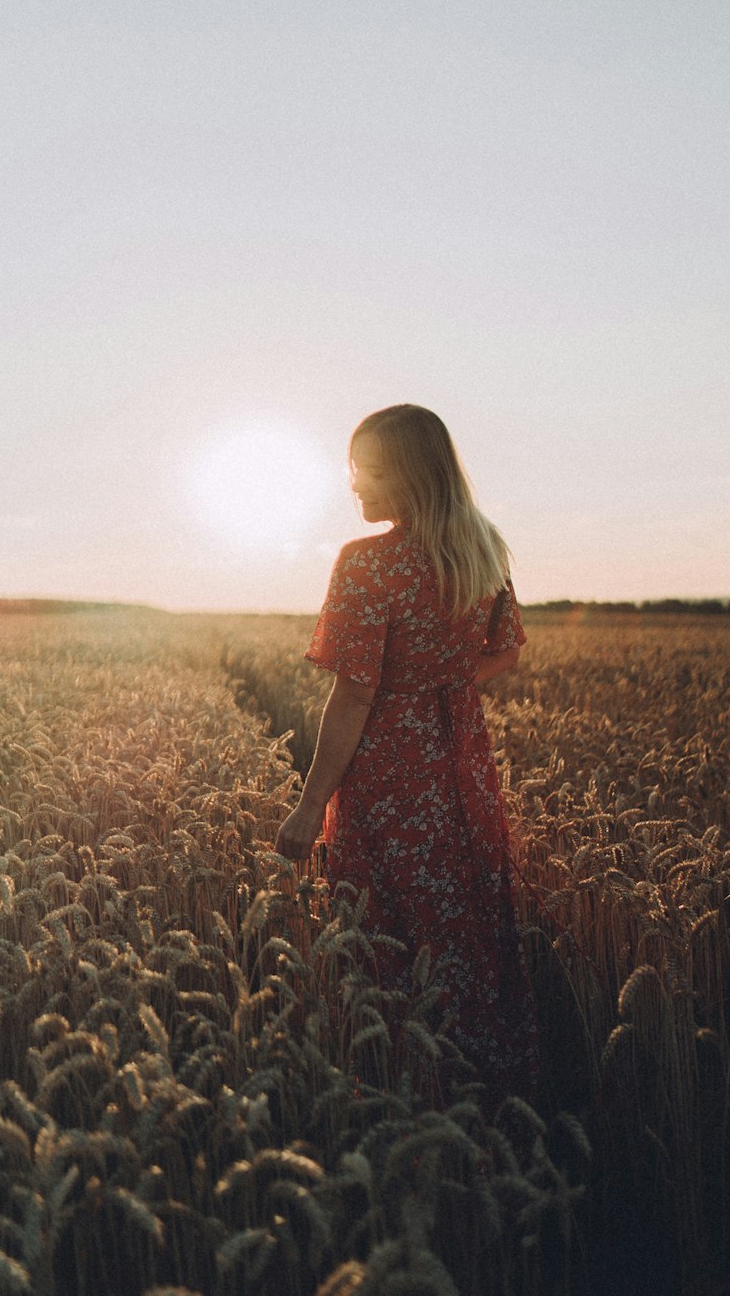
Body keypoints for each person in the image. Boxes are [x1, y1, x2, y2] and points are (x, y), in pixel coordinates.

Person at [274, 404, 538, 1101]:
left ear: (415, 477)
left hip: (392, 777)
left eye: (374, 472)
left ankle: (404, 1093)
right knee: (467, 930)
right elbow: (505, 651)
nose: (356, 486)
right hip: (463, 768)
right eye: (353, 470)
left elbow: (355, 694)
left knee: (387, 938)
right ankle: (491, 1092)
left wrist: (309, 805)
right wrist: (441, 687)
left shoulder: (367, 564)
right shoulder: (483, 547)